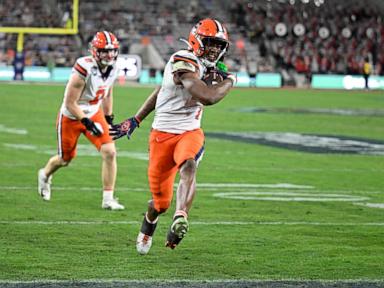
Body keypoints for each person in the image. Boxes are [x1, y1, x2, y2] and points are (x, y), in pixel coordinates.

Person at [110, 18, 236, 254]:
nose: (215, 50)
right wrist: (230, 82)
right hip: (161, 136)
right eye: (211, 43)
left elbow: (164, 89)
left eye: (220, 46)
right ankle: (149, 224)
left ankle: (181, 217)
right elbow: (206, 97)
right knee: (159, 203)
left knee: (189, 166)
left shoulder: (209, 67)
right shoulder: (182, 59)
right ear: (196, 40)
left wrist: (136, 119)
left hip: (190, 131)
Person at [37, 31, 124, 210]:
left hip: (94, 112)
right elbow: (70, 103)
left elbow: (108, 92)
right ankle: (45, 174)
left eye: (112, 50)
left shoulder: (114, 67)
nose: (110, 55)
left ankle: (108, 199)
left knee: (110, 152)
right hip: (71, 116)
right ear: (95, 51)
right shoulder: (83, 68)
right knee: (65, 159)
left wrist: (108, 117)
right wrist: (86, 121)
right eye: (105, 51)